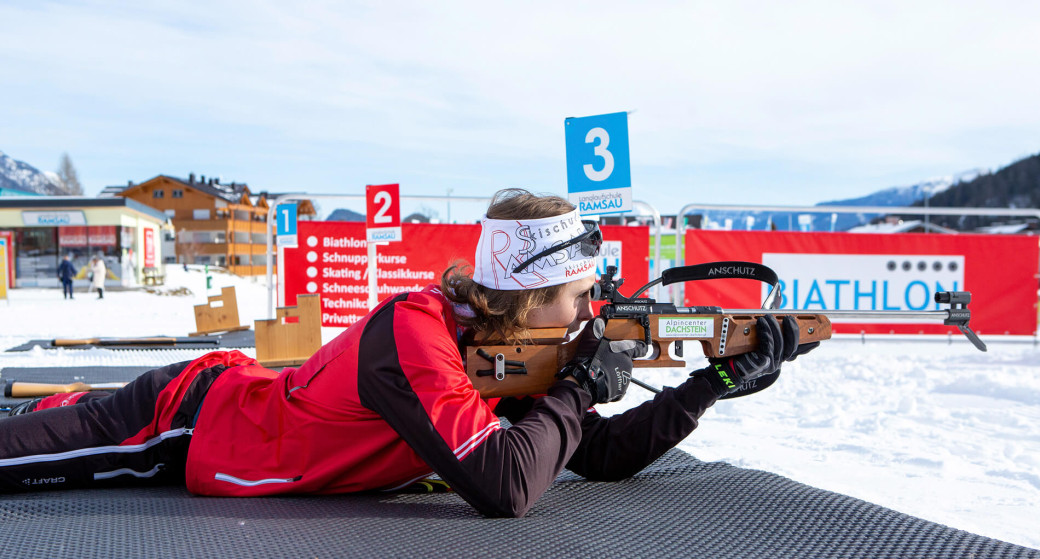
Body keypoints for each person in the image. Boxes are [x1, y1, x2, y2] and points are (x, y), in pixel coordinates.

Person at [0, 189, 818, 517]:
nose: (590, 311)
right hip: (191, 425)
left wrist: (710, 384)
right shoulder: (415, 333)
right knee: (27, 448)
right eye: (579, 296)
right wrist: (577, 390)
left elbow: (591, 452)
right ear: (533, 297)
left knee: (41, 419)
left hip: (234, 407)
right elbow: (504, 483)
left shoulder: (505, 345)